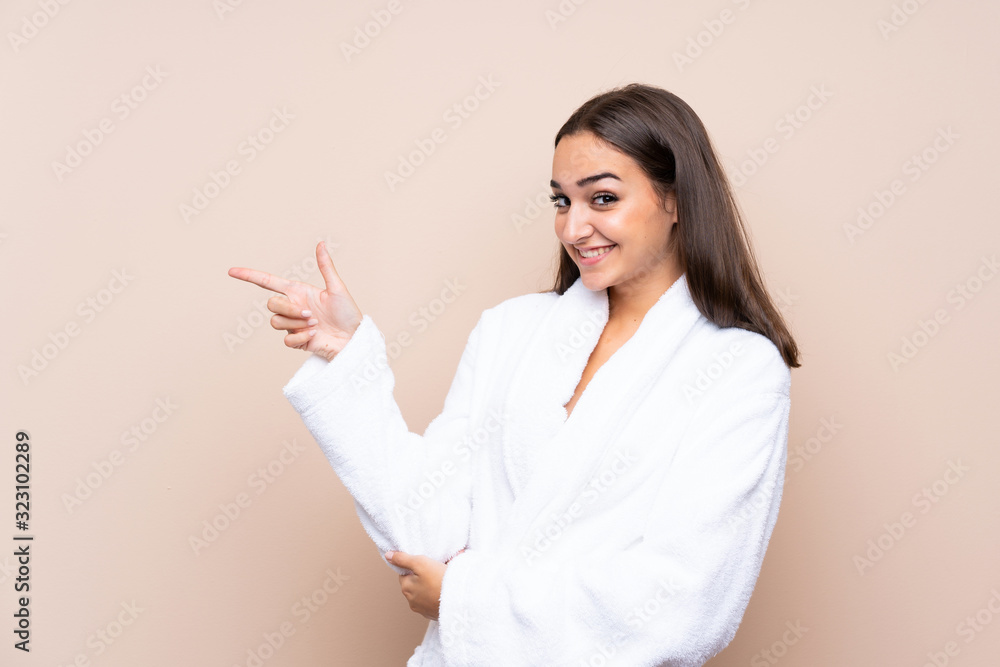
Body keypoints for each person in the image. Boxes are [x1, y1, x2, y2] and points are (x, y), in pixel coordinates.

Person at [229, 82, 800, 666]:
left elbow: (684, 606)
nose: (573, 228)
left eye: (602, 199)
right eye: (561, 201)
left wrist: (462, 597)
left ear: (676, 199)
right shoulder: (510, 332)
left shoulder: (739, 371)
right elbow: (428, 528)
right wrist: (348, 363)